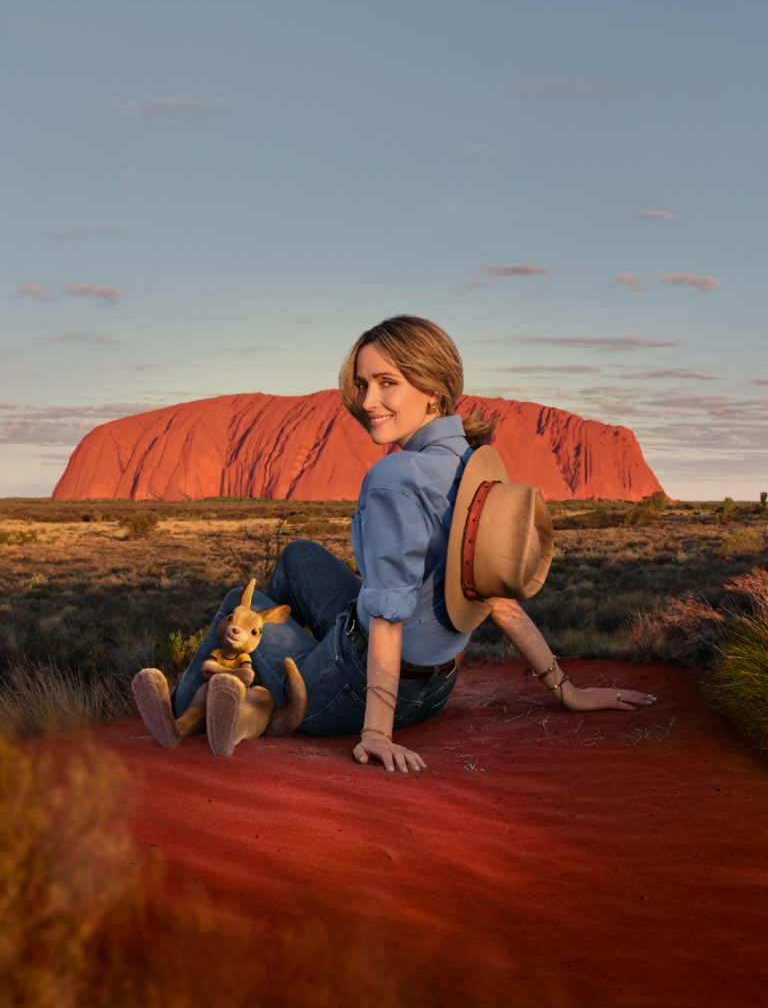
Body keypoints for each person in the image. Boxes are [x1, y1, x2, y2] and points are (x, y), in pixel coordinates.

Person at [173, 315, 656, 773]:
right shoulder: (469, 464)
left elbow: (387, 615)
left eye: (388, 383)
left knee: (242, 606)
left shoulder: (395, 477)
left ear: (433, 391)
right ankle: (268, 676)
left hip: (350, 693)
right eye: (363, 385)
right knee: (299, 555)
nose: (366, 401)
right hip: (435, 689)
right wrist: (565, 688)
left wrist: (377, 733)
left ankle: (199, 705)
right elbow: (495, 593)